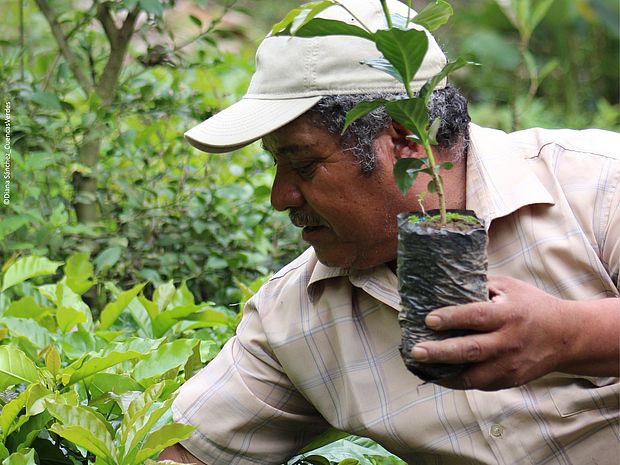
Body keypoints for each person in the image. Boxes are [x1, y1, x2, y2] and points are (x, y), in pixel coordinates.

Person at [160, 0, 620, 463]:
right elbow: (185, 451)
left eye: (302, 163)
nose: (281, 196)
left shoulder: (598, 185)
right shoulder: (297, 315)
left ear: (405, 139)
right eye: (276, 164)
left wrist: (570, 336)